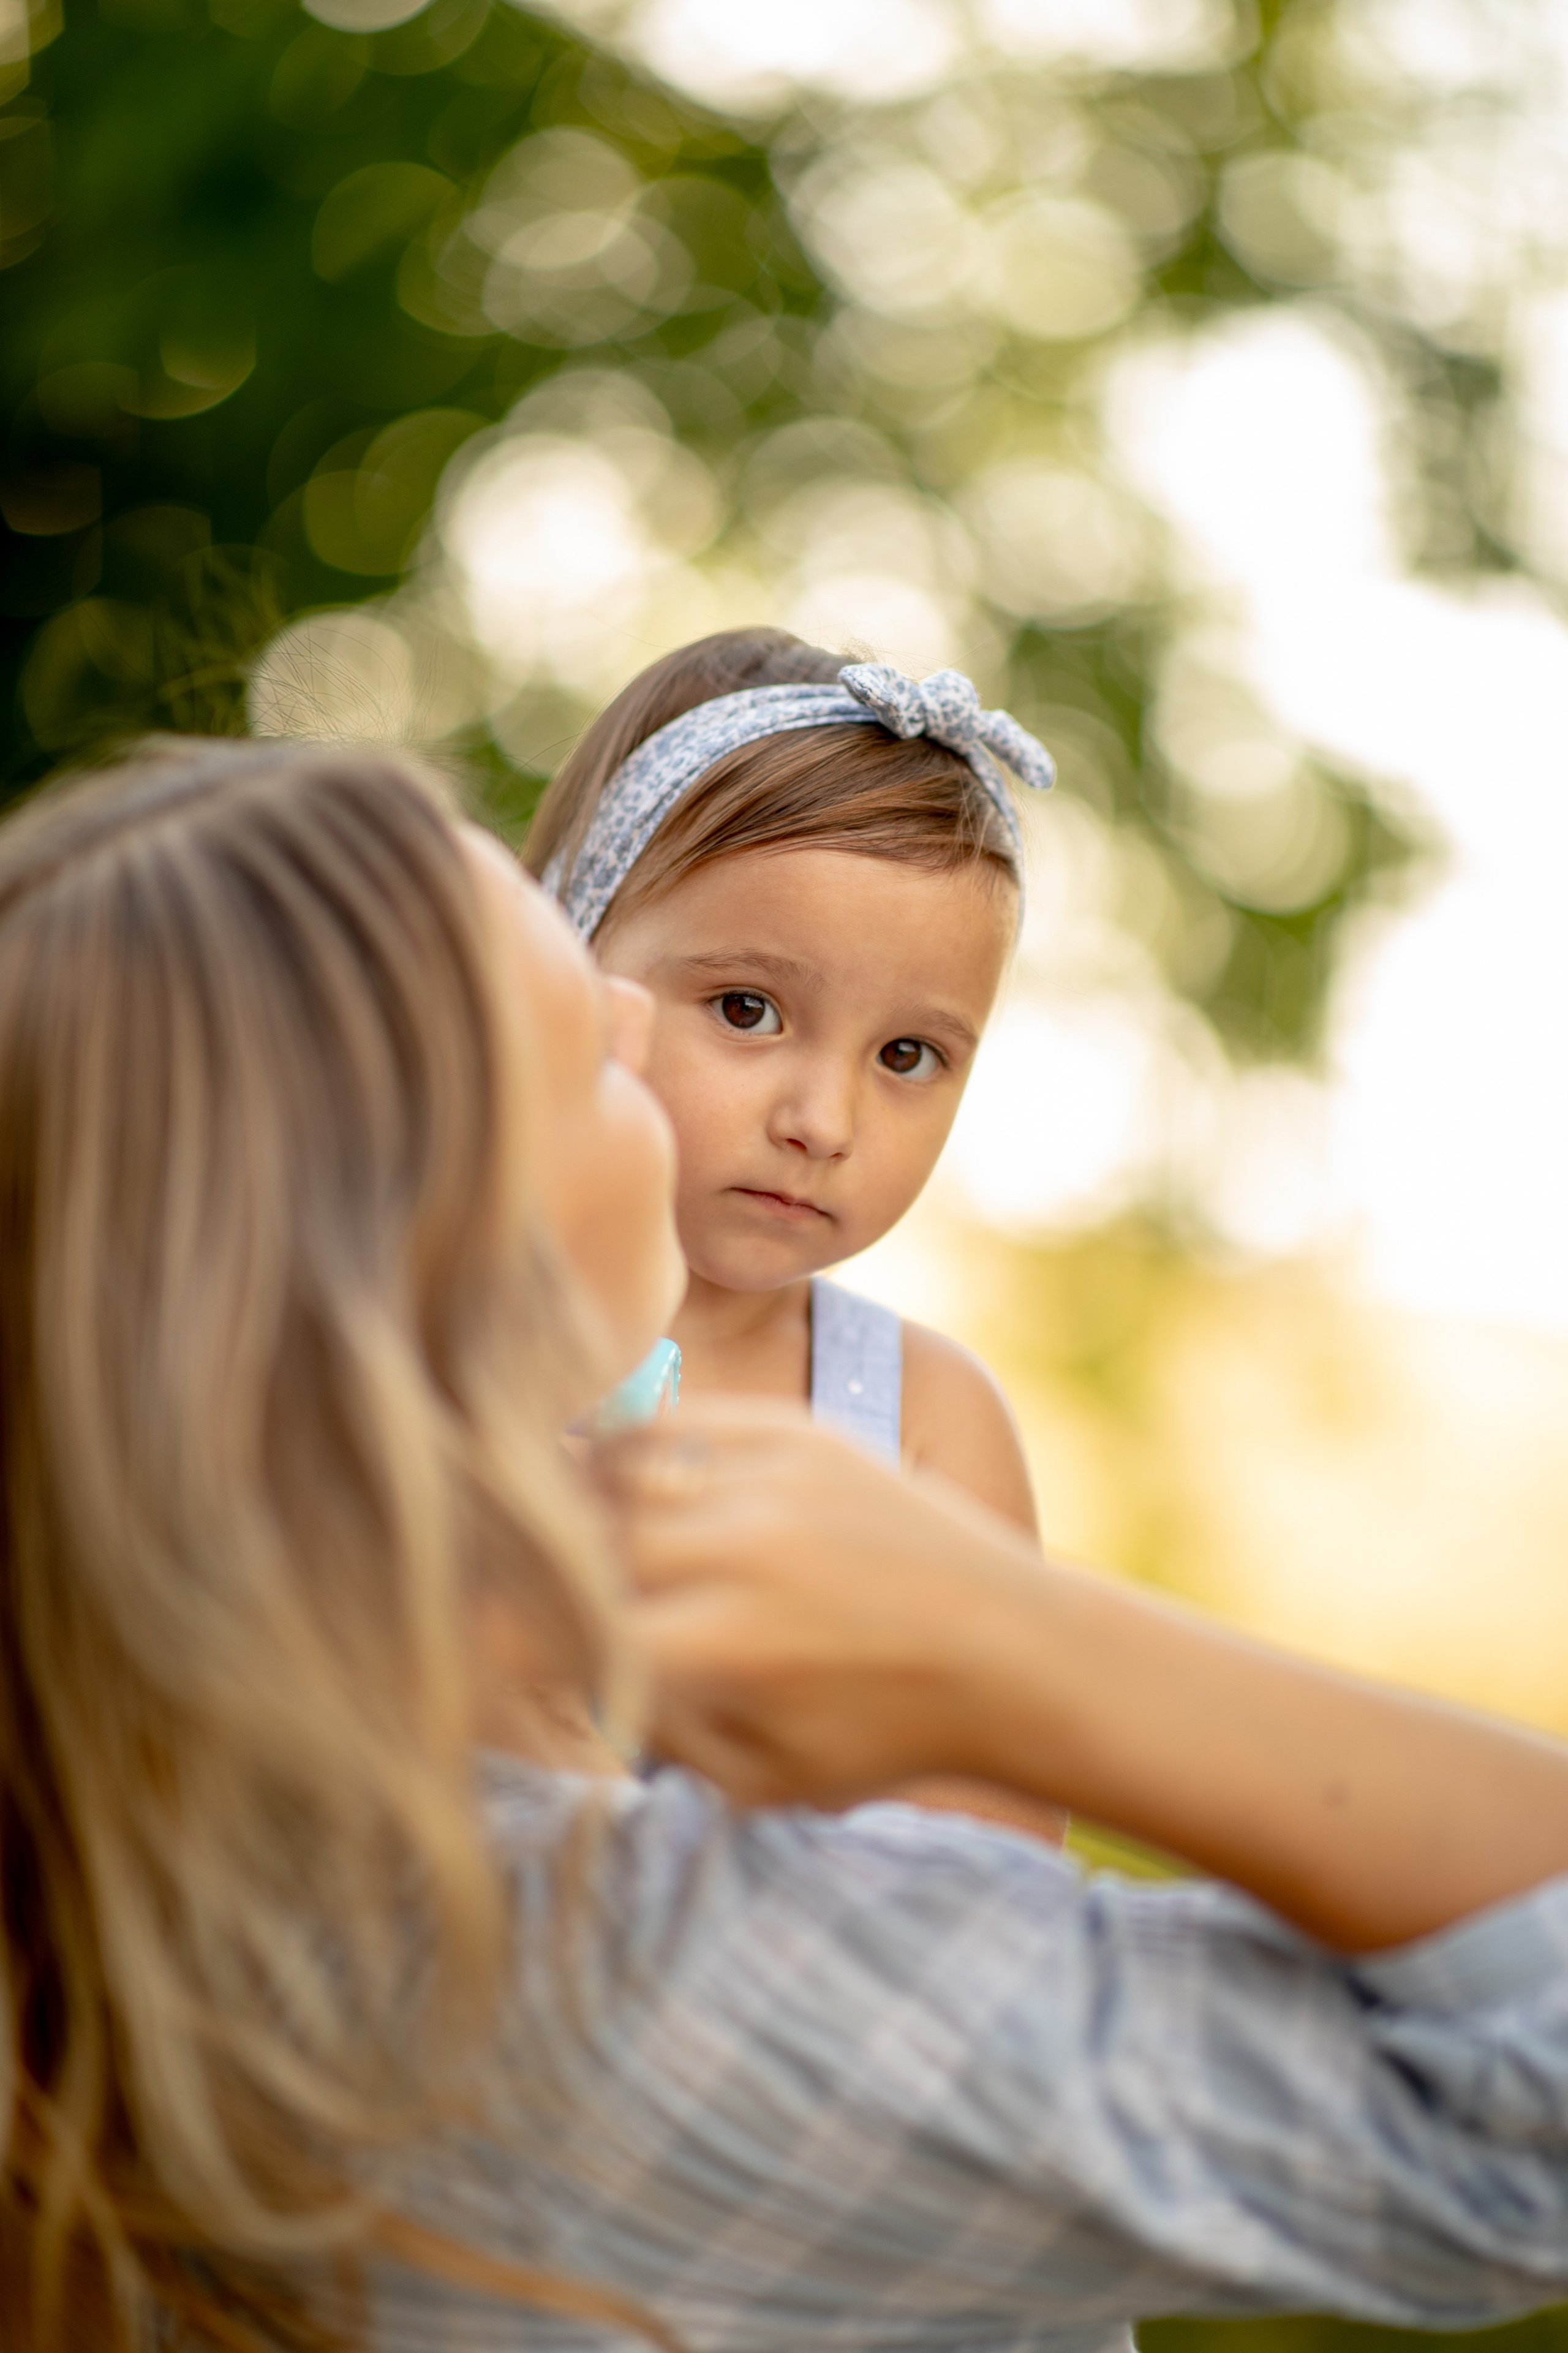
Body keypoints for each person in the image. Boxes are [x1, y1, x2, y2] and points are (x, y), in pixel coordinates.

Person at [7, 735, 1568, 2353]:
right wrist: (1008, 1645)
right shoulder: (593, 1981)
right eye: (593, 1049)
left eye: (913, 1054)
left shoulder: (121, 1864)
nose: (811, 1114)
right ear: (432, 1255)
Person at [526, 626, 1050, 1532]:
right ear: (570, 969)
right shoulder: (412, 1333)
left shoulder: (931, 1429)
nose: (824, 1122)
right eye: (745, 1009)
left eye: (905, 1056)